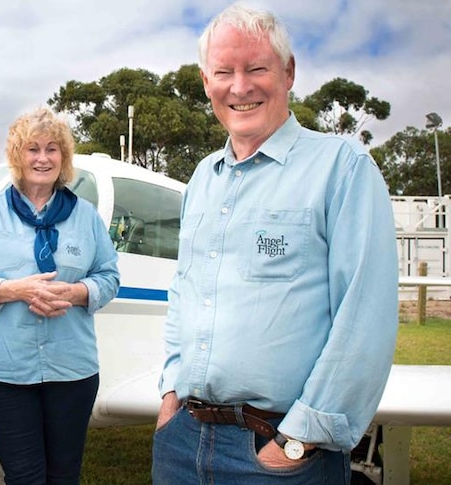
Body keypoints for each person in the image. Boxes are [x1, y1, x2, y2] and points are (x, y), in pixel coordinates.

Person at [153, 3, 399, 484]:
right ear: (207, 82)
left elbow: (365, 315)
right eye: (223, 71)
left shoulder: (342, 167)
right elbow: (184, 295)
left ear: (288, 72)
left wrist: (297, 441)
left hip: (279, 454)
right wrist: (169, 399)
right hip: (182, 444)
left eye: (257, 68)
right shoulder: (203, 177)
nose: (240, 87)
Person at [0, 107, 120, 485]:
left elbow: (109, 278)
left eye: (52, 149)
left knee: (64, 477)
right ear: (17, 156)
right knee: (24, 477)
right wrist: (14, 289)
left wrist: (77, 293)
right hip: (9, 374)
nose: (42, 158)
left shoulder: (86, 217)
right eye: (32, 149)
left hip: (73, 372)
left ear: (64, 157)